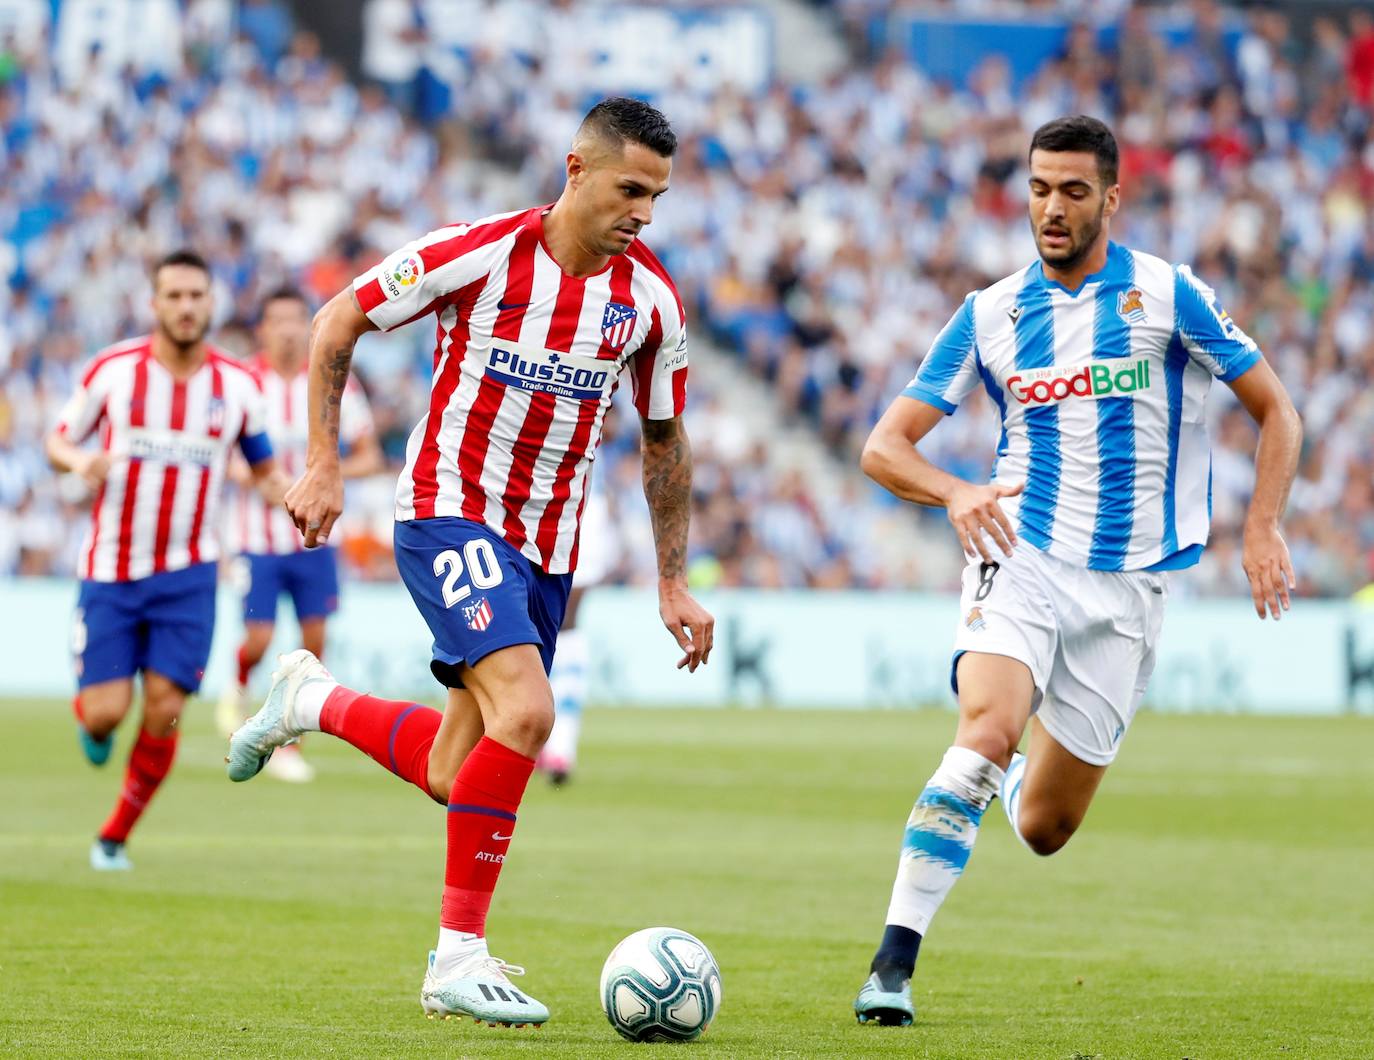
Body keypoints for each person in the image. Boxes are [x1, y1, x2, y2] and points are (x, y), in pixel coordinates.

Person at [227, 97, 714, 1029]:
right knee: (528, 714)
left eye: (656, 197)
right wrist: (323, 462)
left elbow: (664, 441)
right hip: (447, 510)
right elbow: (338, 321)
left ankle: (311, 701)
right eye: (629, 189)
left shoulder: (649, 302)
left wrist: (671, 577)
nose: (644, 213)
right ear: (576, 169)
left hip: (548, 546)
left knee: (463, 770)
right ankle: (457, 957)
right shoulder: (479, 251)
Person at [852, 116, 1302, 1027]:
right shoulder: (990, 312)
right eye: (1038, 189)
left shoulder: (1169, 296)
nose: (1051, 209)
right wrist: (953, 491)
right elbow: (883, 447)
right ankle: (891, 965)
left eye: (1072, 191)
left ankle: (1021, 784)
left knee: (1045, 830)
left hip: (1131, 587)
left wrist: (1263, 525)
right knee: (985, 729)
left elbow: (1278, 411)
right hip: (1018, 550)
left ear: (1111, 198)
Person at [45, 249, 283, 872]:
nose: (185, 307)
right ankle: (92, 728)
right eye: (173, 296)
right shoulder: (113, 372)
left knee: (165, 706)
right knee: (105, 713)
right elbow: (58, 439)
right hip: (112, 571)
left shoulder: (237, 387)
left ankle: (114, 837)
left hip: (189, 574)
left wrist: (291, 490)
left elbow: (263, 469)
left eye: (196, 296)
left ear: (211, 303)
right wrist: (78, 463)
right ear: (153, 304)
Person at [216, 287, 383, 783]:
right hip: (257, 538)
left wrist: (325, 474)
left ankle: (289, 743)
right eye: (278, 320)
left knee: (314, 643)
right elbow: (216, 448)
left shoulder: (333, 380)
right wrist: (242, 472)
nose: (288, 329)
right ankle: (237, 687)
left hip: (314, 539)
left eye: (297, 320)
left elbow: (370, 455)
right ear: (262, 329)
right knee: (259, 637)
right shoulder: (243, 382)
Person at [536, 482, 620, 785]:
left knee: (564, 619)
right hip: (534, 494)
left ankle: (560, 745)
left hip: (579, 497)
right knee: (548, 623)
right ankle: (549, 743)